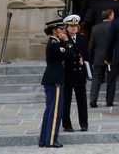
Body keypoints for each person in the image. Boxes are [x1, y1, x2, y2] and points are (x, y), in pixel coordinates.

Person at [39, 18, 74, 148]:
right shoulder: (55, 44)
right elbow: (70, 54)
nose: (64, 31)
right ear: (54, 31)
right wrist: (66, 41)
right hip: (55, 80)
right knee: (55, 111)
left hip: (53, 78)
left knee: (50, 110)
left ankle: (44, 139)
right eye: (61, 29)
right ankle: (51, 140)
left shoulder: (55, 43)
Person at [59, 15, 88, 133]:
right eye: (71, 26)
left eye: (76, 26)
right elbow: (66, 54)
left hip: (80, 73)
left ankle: (84, 123)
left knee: (82, 100)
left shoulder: (82, 38)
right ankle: (67, 124)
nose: (74, 28)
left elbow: (87, 53)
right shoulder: (63, 40)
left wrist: (84, 59)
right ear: (67, 27)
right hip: (68, 73)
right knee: (66, 101)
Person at [87, 9, 118, 108]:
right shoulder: (115, 27)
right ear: (109, 16)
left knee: (96, 79)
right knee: (111, 80)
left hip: (98, 57)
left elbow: (91, 45)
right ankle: (109, 101)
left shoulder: (95, 28)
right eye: (113, 15)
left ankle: (93, 99)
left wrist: (90, 57)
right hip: (112, 57)